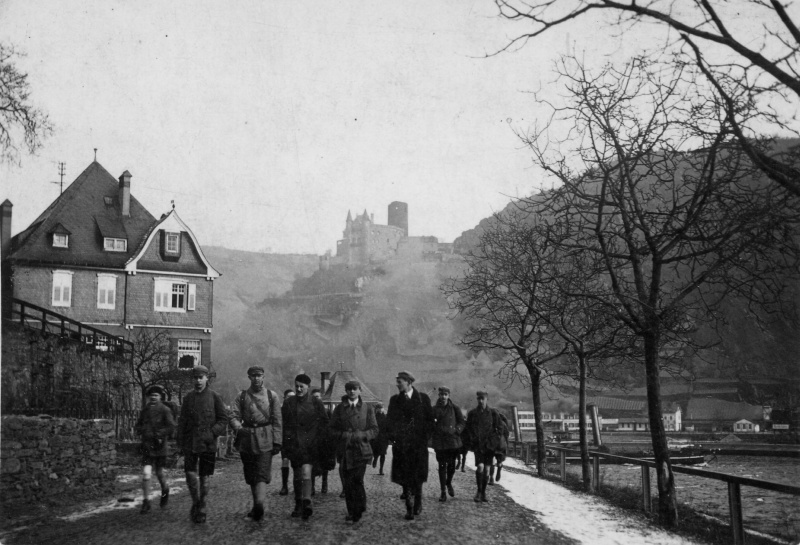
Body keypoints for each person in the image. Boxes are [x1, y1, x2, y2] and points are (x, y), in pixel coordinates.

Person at [229, 366, 283, 521]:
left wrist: (277, 441)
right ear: (249, 377)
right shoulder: (242, 396)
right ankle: (256, 505)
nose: (256, 379)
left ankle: (259, 505)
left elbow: (278, 421)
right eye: (253, 376)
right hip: (247, 439)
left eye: (259, 375)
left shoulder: (272, 396)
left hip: (265, 437)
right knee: (251, 474)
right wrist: (238, 426)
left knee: (261, 472)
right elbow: (233, 414)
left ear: (263, 377)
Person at [176, 365, 228, 523]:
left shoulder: (214, 397)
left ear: (207, 379)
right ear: (192, 379)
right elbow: (182, 422)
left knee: (204, 477)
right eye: (195, 378)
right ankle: (195, 502)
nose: (198, 381)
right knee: (190, 474)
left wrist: (212, 433)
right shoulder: (188, 398)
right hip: (190, 442)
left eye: (201, 377)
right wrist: (180, 444)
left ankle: (202, 504)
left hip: (207, 443)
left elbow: (223, 419)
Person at [386, 370, 433, 521]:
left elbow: (430, 420)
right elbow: (390, 422)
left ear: (408, 382)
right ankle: (409, 505)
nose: (397, 384)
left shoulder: (423, 399)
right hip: (402, 445)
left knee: (417, 475)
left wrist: (425, 437)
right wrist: (393, 437)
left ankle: (417, 500)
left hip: (418, 445)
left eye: (400, 381)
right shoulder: (394, 400)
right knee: (404, 475)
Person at [329, 381, 379, 523]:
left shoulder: (367, 408)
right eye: (349, 389)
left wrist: (363, 435)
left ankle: (360, 506)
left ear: (360, 391)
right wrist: (344, 435)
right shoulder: (339, 409)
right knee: (348, 482)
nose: (351, 392)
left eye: (354, 389)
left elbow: (375, 429)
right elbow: (331, 429)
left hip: (361, 450)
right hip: (345, 449)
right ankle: (352, 511)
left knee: (357, 479)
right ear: (345, 391)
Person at [282, 373, 329, 520]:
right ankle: (298, 503)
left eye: (301, 386)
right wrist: (287, 441)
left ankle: (307, 501)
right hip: (295, 444)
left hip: (311, 444)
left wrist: (320, 441)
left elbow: (324, 423)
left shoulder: (316, 403)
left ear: (308, 387)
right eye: (296, 386)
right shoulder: (289, 403)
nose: (298, 389)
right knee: (297, 476)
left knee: (306, 472)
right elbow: (285, 424)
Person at [135, 384, 176, 514]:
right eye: (151, 395)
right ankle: (146, 501)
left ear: (160, 397)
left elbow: (171, 427)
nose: (153, 397)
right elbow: (138, 424)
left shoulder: (165, 410)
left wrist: (159, 434)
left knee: (159, 473)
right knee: (146, 474)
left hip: (159, 447)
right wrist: (140, 430)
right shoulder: (145, 410)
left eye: (156, 395)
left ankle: (165, 490)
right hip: (147, 446)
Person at [464, 390, 502, 503]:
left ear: (487, 399)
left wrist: (494, 440)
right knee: (480, 467)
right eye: (479, 399)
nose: (480, 401)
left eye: (483, 399)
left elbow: (500, 428)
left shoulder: (493, 413)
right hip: (478, 445)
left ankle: (484, 492)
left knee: (486, 469)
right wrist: (472, 439)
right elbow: (468, 429)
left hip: (489, 446)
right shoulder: (472, 414)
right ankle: (479, 491)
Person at [431, 386, 465, 502]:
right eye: (441, 395)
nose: (443, 397)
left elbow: (461, 422)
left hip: (452, 441)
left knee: (451, 466)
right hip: (440, 442)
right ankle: (443, 492)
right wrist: (434, 430)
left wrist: (457, 430)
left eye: (445, 395)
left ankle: (449, 482)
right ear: (439, 396)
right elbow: (429, 423)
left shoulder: (455, 408)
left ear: (448, 396)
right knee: (441, 466)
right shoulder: (434, 409)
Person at [278, 388, 295, 496]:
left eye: (292, 397)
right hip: (284, 439)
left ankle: (296, 485)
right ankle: (284, 486)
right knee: (285, 460)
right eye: (288, 397)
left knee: (296, 463)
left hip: (296, 439)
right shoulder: (280, 410)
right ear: (284, 398)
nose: (290, 399)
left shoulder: (297, 410)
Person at [487, 411, 510, 485]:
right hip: (500, 445)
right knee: (499, 461)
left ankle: (491, 478)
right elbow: (507, 434)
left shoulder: (490, 423)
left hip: (492, 445)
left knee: (491, 462)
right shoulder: (503, 423)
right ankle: (499, 469)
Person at [370, 402, 389, 475]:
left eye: (381, 408)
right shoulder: (373, 417)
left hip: (384, 438)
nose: (380, 410)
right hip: (376, 438)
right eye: (379, 408)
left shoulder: (385, 417)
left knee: (383, 454)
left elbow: (388, 427)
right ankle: (375, 459)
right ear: (376, 409)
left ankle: (381, 469)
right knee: (376, 452)